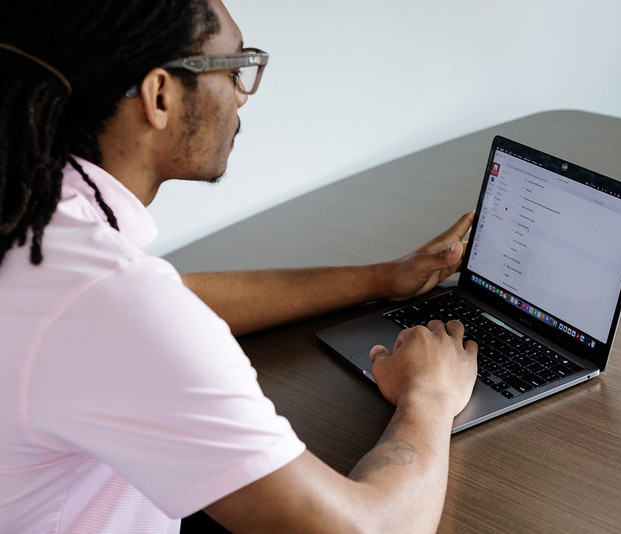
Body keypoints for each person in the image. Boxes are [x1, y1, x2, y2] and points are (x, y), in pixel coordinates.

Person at [0, 1, 478, 532]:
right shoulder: (108, 303)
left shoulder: (35, 223)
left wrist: (383, 278)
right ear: (159, 96)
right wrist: (429, 397)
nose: (242, 94)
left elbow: (170, 301)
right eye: (233, 68)